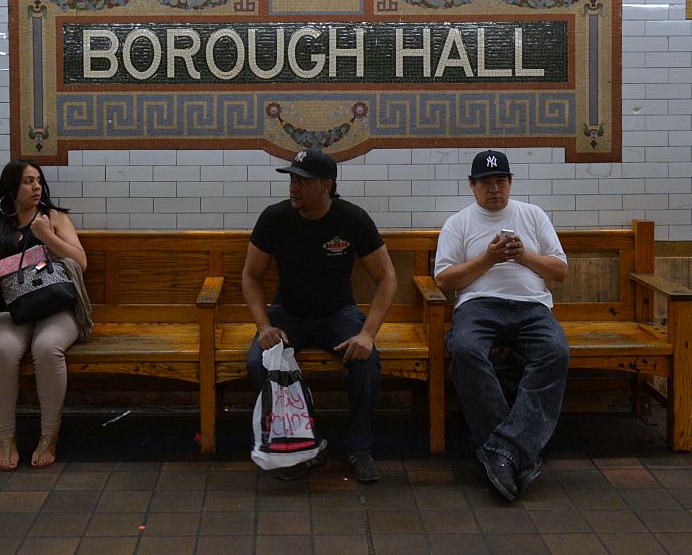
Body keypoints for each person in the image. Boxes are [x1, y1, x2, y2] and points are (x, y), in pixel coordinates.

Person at [242, 148, 397, 482]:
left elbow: (387, 278)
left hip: (337, 314)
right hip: (288, 314)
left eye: (303, 181)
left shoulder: (352, 219)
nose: (294, 187)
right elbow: (251, 276)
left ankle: (359, 448)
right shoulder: (275, 218)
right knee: (259, 361)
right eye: (292, 179)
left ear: (326, 185)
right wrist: (264, 325)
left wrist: (367, 334)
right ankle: (308, 442)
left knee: (366, 362)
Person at [433, 150, 569, 501]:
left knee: (554, 352)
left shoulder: (533, 215)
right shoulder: (458, 223)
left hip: (532, 307)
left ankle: (502, 452)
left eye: (501, 181)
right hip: (478, 307)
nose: (495, 188)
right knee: (464, 350)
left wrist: (524, 255)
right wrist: (487, 259)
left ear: (510, 183)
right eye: (486, 182)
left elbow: (560, 270)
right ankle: (516, 450)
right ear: (472, 186)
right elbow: (445, 281)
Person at [0, 158, 89, 470]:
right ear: (12, 187)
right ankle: (6, 437)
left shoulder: (55, 218)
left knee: (47, 348)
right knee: (4, 350)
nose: (36, 187)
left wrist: (47, 236)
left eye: (38, 181)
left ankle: (49, 435)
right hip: (12, 310)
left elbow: (82, 263)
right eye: (27, 181)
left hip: (56, 307)